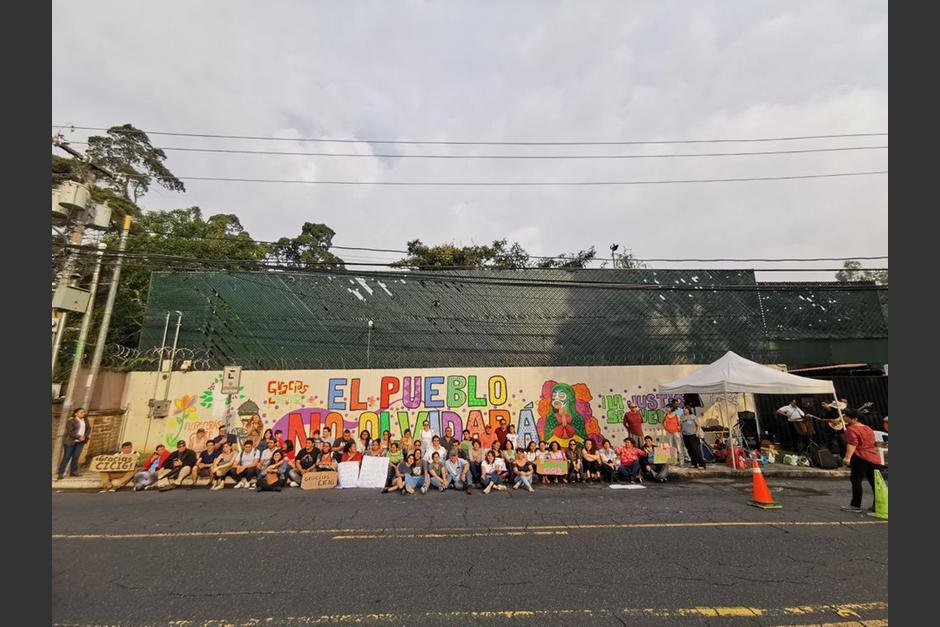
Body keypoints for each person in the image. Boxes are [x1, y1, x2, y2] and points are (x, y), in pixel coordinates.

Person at [841, 409, 883, 512]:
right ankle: (877, 506)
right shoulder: (868, 428)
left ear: (854, 419)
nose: (844, 417)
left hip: (860, 457)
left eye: (846, 416)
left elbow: (852, 443)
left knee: (856, 481)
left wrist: (847, 457)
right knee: (875, 483)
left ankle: (855, 506)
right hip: (874, 457)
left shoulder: (851, 429)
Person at [58, 407, 91, 479]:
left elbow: (88, 428)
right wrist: (78, 437)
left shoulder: (85, 419)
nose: (83, 414)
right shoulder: (71, 421)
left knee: (76, 457)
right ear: (76, 413)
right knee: (66, 457)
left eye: (84, 412)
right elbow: (70, 432)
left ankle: (73, 472)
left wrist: (85, 436)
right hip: (70, 441)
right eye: (81, 412)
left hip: (81, 442)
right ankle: (61, 473)